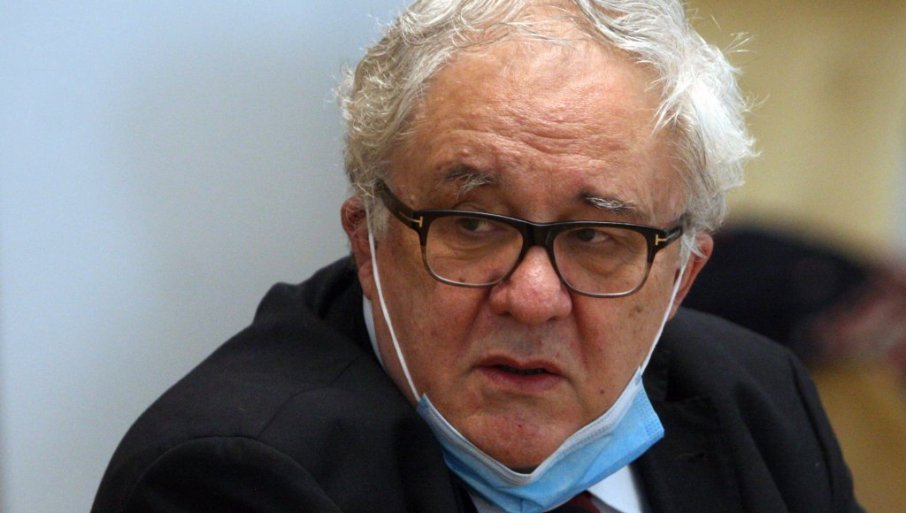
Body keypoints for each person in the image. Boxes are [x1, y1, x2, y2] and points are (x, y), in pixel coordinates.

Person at [92, 1, 863, 512]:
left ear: (681, 277)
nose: (532, 297)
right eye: (472, 223)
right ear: (368, 241)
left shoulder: (760, 401)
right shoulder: (232, 479)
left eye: (597, 236)